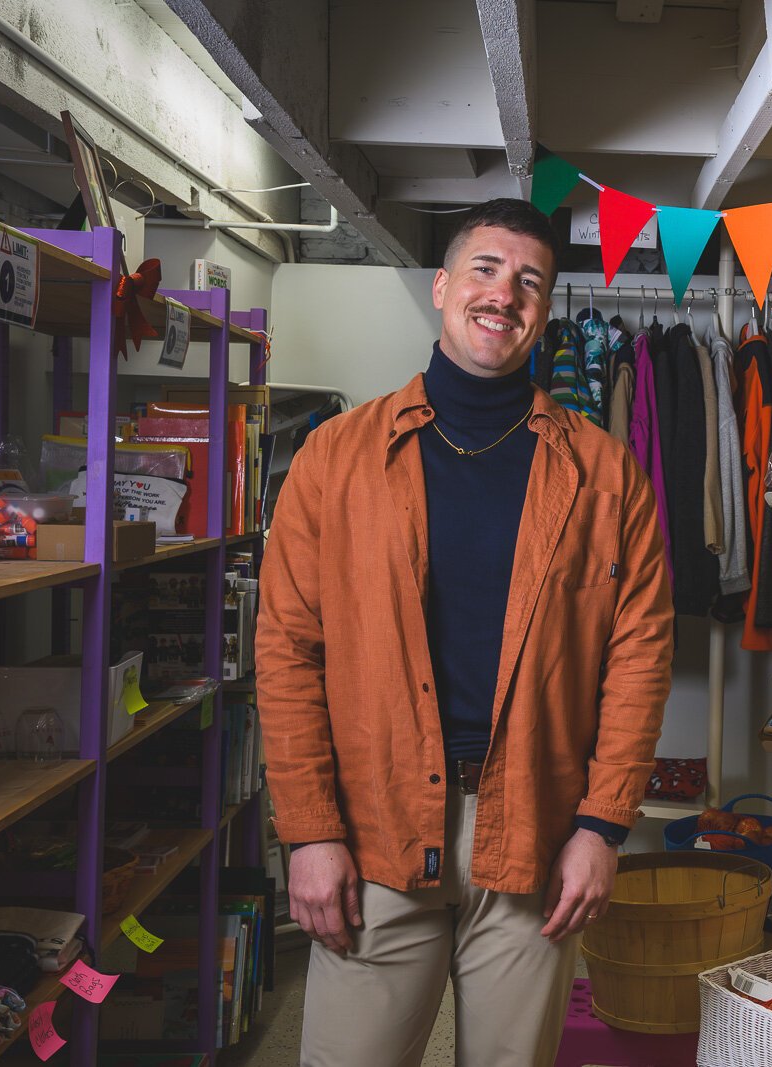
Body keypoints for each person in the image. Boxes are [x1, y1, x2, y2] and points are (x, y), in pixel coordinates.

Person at [257, 197, 674, 1067]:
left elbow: (639, 661)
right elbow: (288, 650)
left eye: (530, 281)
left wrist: (602, 827)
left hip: (536, 829)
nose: (504, 294)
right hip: (372, 823)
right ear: (443, 287)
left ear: (544, 312)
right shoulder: (334, 458)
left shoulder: (606, 474)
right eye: (485, 269)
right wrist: (310, 830)